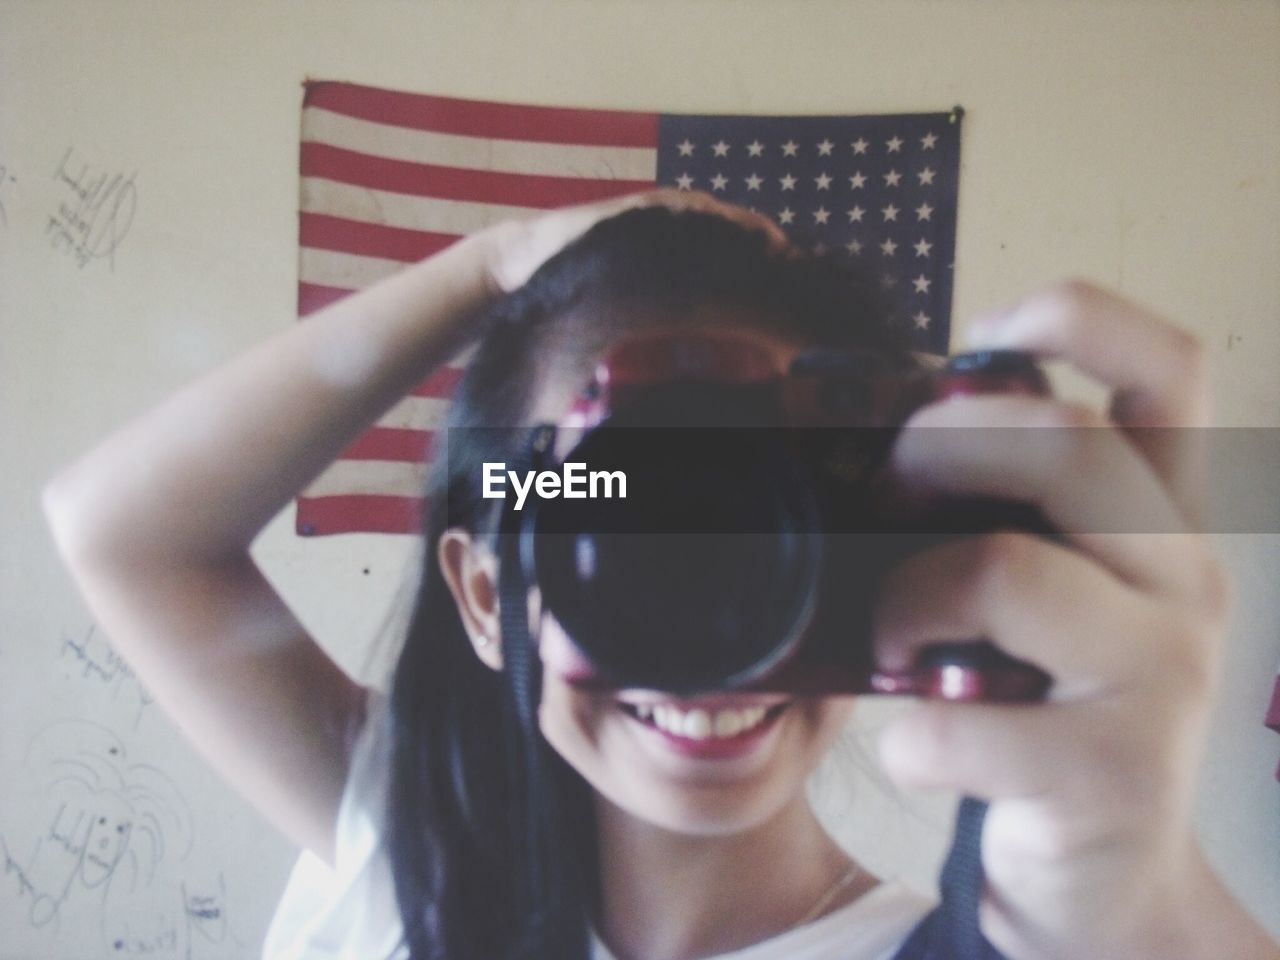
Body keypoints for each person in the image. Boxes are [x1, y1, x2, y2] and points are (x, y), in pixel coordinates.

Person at [41, 190, 1279, 960]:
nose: (701, 607)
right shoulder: (407, 849)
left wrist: (1147, 916)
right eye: (616, 514)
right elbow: (123, 532)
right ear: (484, 596)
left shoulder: (999, 938)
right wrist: (486, 268)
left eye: (753, 513)